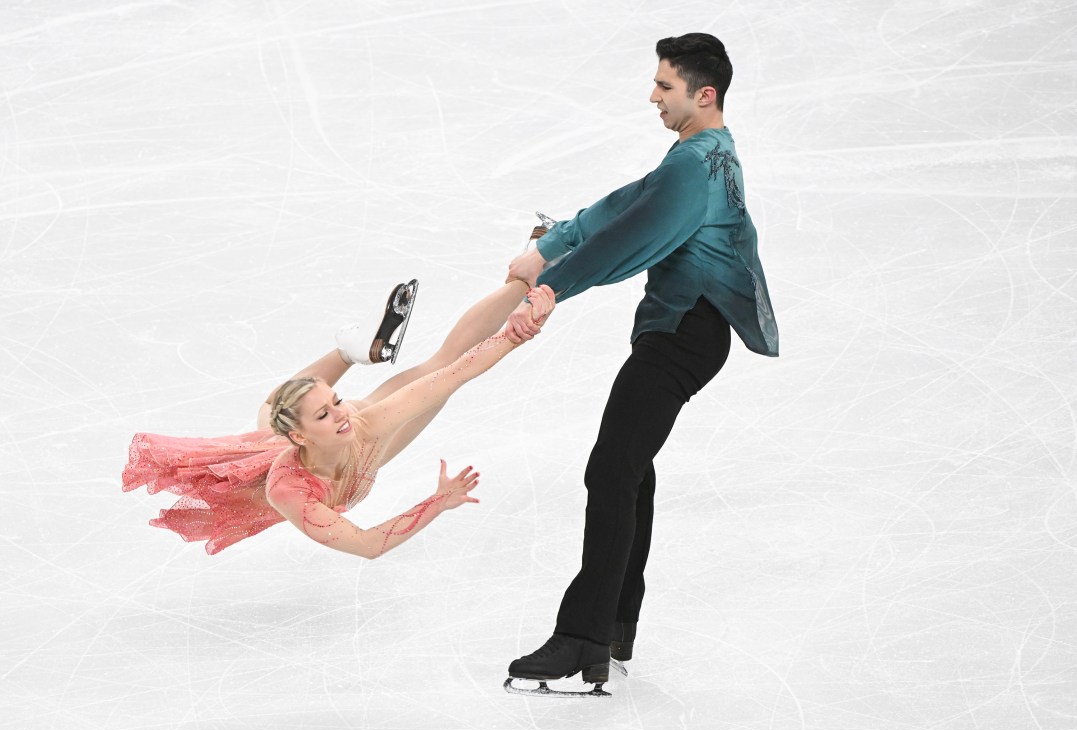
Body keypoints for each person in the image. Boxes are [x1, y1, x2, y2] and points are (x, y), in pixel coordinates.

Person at [503, 33, 779, 695]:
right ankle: (613, 626)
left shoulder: (697, 163)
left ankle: (583, 633)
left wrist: (550, 286)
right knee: (631, 469)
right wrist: (556, 239)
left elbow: (630, 235)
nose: (652, 96)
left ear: (702, 94)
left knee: (612, 467)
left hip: (684, 332)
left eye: (664, 86)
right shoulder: (698, 155)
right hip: (684, 330)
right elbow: (627, 202)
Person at [122, 278, 555, 558]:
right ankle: (348, 351)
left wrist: (516, 333)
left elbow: (452, 374)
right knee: (268, 417)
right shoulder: (288, 491)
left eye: (337, 402)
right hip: (304, 461)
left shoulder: (361, 422)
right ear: (302, 436)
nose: (341, 413)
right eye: (326, 414)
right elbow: (367, 545)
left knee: (443, 366)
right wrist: (437, 502)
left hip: (357, 454)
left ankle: (523, 274)